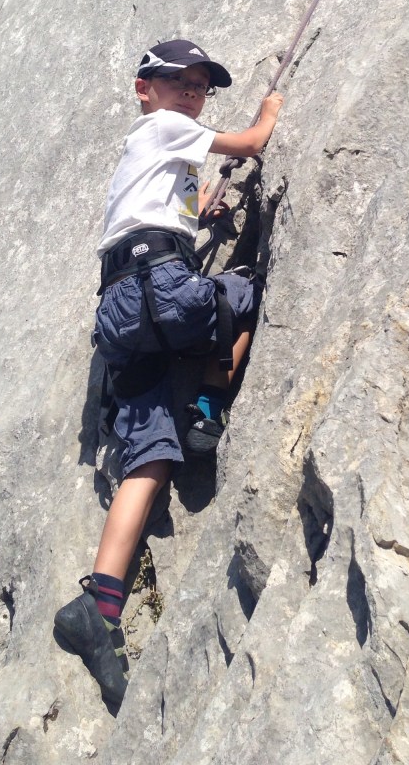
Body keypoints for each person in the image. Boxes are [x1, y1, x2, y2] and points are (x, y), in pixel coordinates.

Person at [54, 38, 284, 707]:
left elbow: (156, 210)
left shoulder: (152, 152)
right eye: (179, 79)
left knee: (148, 458)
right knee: (243, 296)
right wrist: (269, 111)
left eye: (200, 86)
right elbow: (249, 143)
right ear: (144, 88)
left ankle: (97, 608)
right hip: (157, 290)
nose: (191, 91)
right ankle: (208, 410)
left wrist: (197, 215)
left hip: (121, 308)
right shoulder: (162, 126)